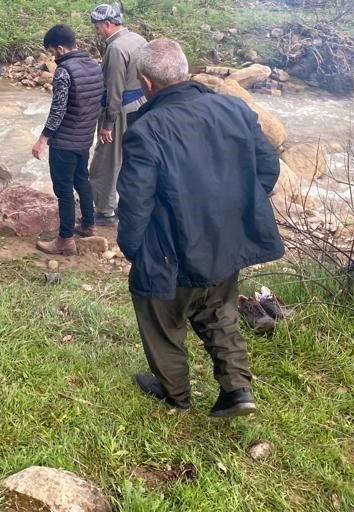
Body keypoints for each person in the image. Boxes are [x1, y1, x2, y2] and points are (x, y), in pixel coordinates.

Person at [117, 39, 283, 418]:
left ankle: (175, 394)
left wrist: (132, 248)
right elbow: (267, 170)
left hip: (171, 244)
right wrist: (236, 209)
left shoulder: (147, 127)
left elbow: (136, 200)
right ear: (184, 70)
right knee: (217, 305)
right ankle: (237, 389)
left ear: (146, 83)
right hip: (227, 236)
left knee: (160, 314)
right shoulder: (233, 108)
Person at [30, 24, 104, 256]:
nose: (52, 57)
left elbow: (58, 110)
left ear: (61, 48)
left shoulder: (64, 71)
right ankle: (89, 225)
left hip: (64, 142)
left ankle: (65, 240)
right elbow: (98, 103)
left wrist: (42, 139)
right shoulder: (94, 66)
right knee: (82, 179)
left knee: (63, 190)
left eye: (52, 52)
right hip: (84, 139)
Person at [89, 2, 147, 223]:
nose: (95, 29)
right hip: (141, 103)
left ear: (108, 24)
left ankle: (104, 210)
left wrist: (107, 124)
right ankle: (128, 203)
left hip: (120, 109)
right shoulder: (139, 39)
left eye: (97, 25)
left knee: (107, 160)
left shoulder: (115, 49)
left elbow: (114, 91)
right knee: (131, 158)